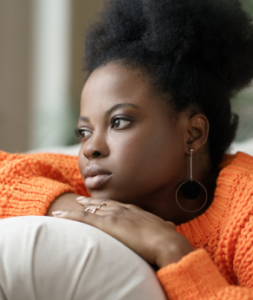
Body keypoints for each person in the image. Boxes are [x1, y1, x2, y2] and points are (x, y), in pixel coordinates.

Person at [1, 0, 253, 299]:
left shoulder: (245, 207)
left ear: (192, 133)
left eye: (119, 121)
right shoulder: (100, 185)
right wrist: (89, 212)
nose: (91, 148)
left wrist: (171, 249)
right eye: (84, 131)